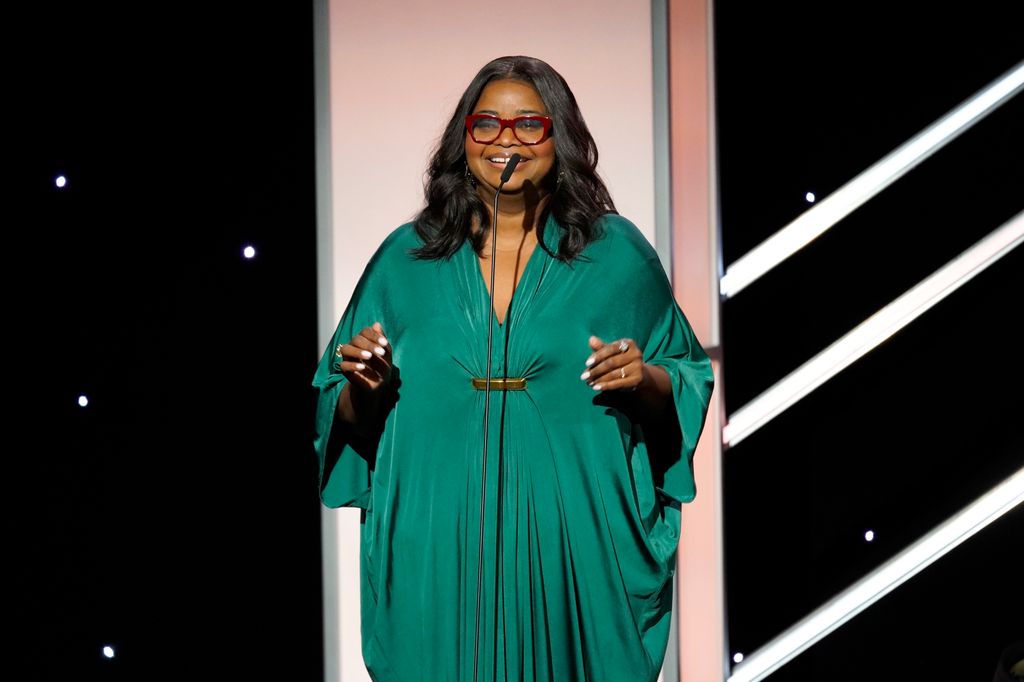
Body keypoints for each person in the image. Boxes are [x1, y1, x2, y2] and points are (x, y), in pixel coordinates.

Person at [312, 55, 714, 682]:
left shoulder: (617, 255)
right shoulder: (404, 258)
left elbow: (684, 378)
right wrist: (364, 387)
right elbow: (339, 413)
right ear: (463, 139)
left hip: (572, 535)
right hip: (439, 529)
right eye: (487, 125)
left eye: (529, 124)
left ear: (561, 137)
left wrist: (647, 381)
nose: (507, 140)